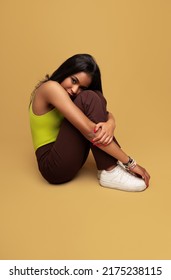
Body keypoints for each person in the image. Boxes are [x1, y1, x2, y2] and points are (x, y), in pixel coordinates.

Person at [29, 53, 150, 192]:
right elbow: (89, 131)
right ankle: (110, 170)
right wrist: (130, 163)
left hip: (69, 157)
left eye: (81, 87)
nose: (74, 90)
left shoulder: (68, 95)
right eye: (73, 80)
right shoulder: (50, 88)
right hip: (53, 166)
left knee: (95, 95)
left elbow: (103, 115)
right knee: (88, 98)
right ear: (66, 71)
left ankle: (109, 168)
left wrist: (111, 122)